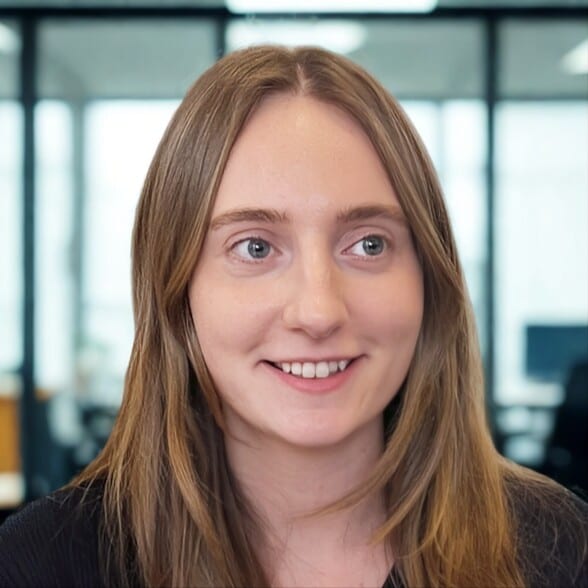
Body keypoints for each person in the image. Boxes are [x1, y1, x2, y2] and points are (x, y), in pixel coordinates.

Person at [0, 45, 586, 588]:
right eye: (255, 248)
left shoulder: (559, 553)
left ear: (429, 279)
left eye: (369, 244)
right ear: (176, 289)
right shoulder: (46, 565)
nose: (318, 311)